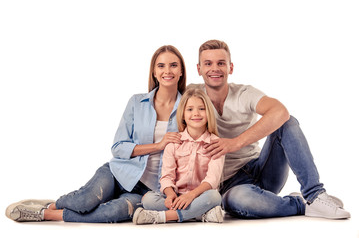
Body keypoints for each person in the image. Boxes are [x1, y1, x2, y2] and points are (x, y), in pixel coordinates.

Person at [5, 45, 187, 223]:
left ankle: (48, 214)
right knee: (84, 202)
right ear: (154, 72)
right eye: (161, 66)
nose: (167, 71)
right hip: (120, 172)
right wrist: (158, 146)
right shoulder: (137, 102)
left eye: (173, 65)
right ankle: (55, 205)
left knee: (114, 212)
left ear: (181, 71)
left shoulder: (189, 108)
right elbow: (118, 147)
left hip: (151, 189)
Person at [187, 39, 350, 219]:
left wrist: (234, 143)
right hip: (228, 187)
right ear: (199, 69)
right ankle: (301, 204)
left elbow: (280, 111)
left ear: (230, 67)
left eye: (221, 63)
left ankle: (315, 196)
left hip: (261, 170)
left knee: (287, 122)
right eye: (208, 63)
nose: (214, 69)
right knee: (242, 200)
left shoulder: (244, 93)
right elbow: (162, 101)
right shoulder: (191, 95)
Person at [132, 88, 225, 224]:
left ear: (208, 112)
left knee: (215, 196)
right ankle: (200, 214)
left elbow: (212, 180)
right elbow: (167, 177)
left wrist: (191, 196)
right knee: (148, 199)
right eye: (190, 109)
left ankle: (162, 217)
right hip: (177, 196)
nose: (196, 114)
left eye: (201, 109)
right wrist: (170, 195)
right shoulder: (174, 142)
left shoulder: (216, 143)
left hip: (200, 196)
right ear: (182, 114)